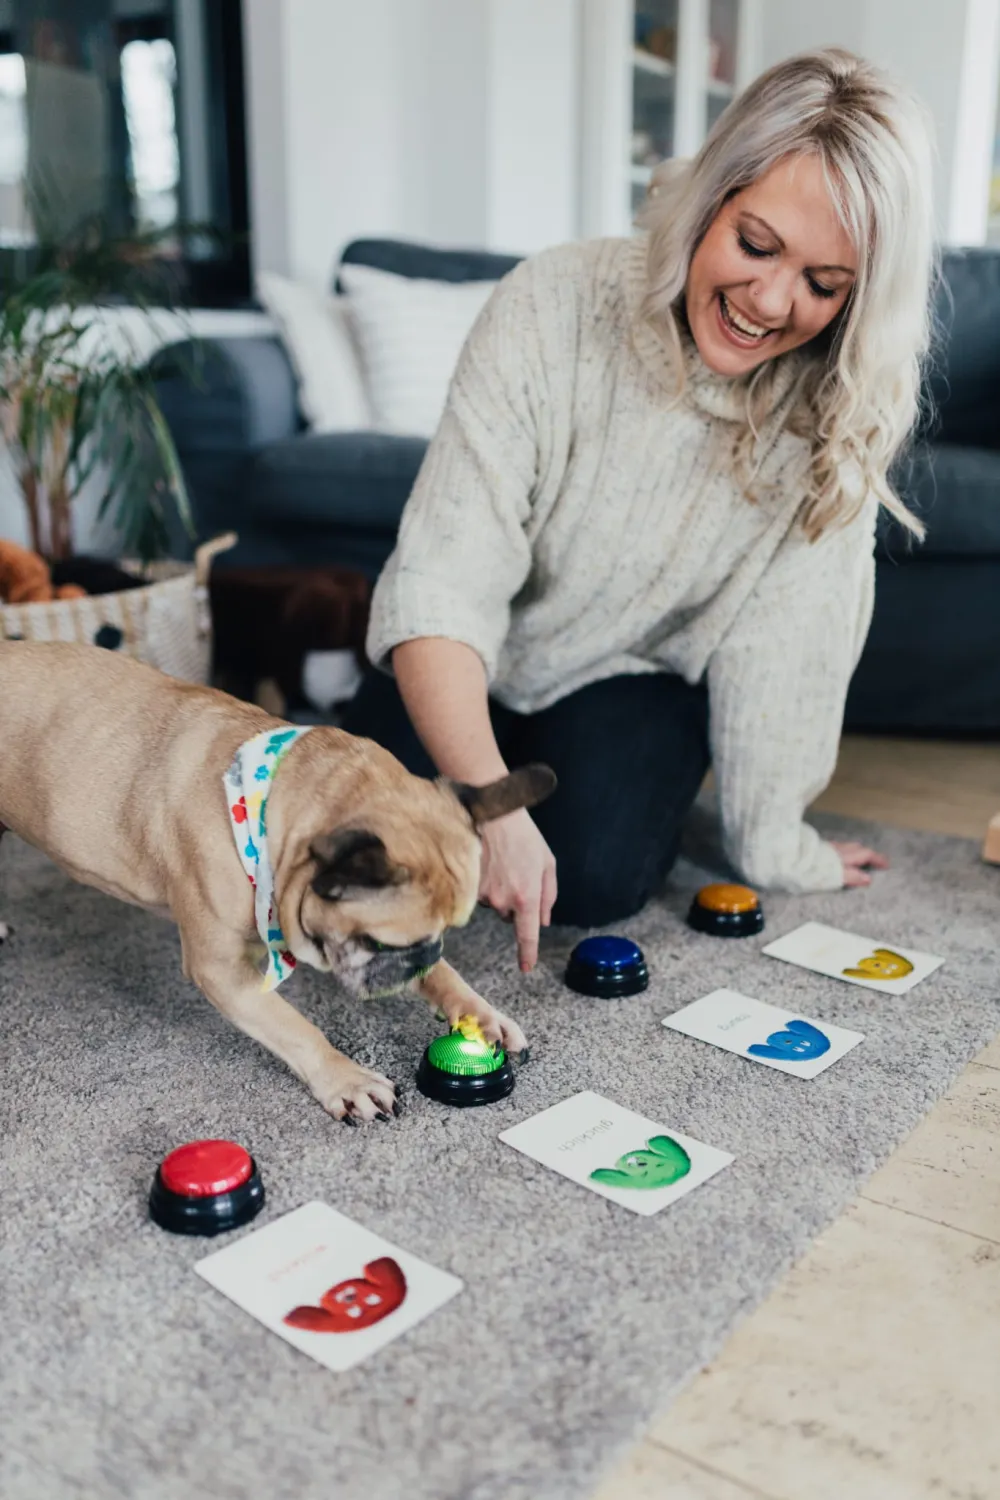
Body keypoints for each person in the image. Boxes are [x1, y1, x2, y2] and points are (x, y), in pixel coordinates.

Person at [343, 47, 936, 974]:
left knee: (592, 877)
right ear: (708, 200)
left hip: (625, 677)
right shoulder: (552, 302)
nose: (771, 302)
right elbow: (441, 584)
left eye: (824, 285)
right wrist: (494, 803)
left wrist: (774, 842)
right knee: (354, 846)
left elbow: (785, 656)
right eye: (756, 244)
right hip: (471, 656)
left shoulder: (838, 409)